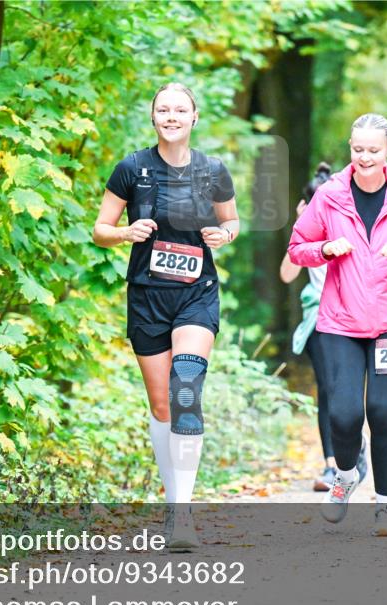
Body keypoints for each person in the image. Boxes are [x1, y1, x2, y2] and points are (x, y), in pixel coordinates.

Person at [288, 113, 387, 535]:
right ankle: (345, 476)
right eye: (358, 149)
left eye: (373, 150)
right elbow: (297, 247)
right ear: (350, 148)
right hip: (340, 322)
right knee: (344, 415)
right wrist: (325, 249)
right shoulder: (330, 196)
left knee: (382, 413)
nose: (364, 158)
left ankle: (386, 505)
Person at [93, 83, 239, 550]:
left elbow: (231, 221)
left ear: (194, 117)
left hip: (196, 293)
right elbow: (100, 229)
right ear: (153, 117)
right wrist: (125, 233)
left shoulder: (213, 170)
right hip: (148, 296)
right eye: (163, 109)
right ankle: (173, 503)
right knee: (162, 406)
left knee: (186, 390)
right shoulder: (131, 168)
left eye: (180, 110)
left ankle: (183, 515)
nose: (171, 116)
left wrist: (224, 235)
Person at [280, 163, 367, 492]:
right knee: (327, 388)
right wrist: (300, 227)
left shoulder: (352, 225)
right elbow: (287, 274)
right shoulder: (308, 234)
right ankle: (332, 464)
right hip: (319, 318)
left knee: (347, 391)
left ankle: (356, 446)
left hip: (353, 316)